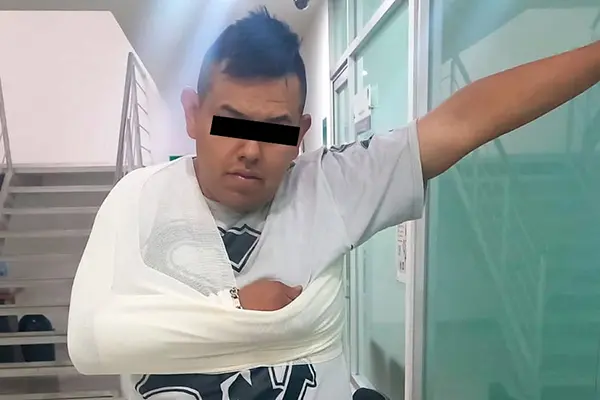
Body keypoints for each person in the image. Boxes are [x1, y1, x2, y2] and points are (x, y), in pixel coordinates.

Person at [67, 7, 600, 400]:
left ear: (301, 134)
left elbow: (463, 121)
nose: (250, 149)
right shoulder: (136, 200)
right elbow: (92, 340)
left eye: (274, 131)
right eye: (230, 123)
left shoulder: (329, 184)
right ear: (192, 114)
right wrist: (234, 308)